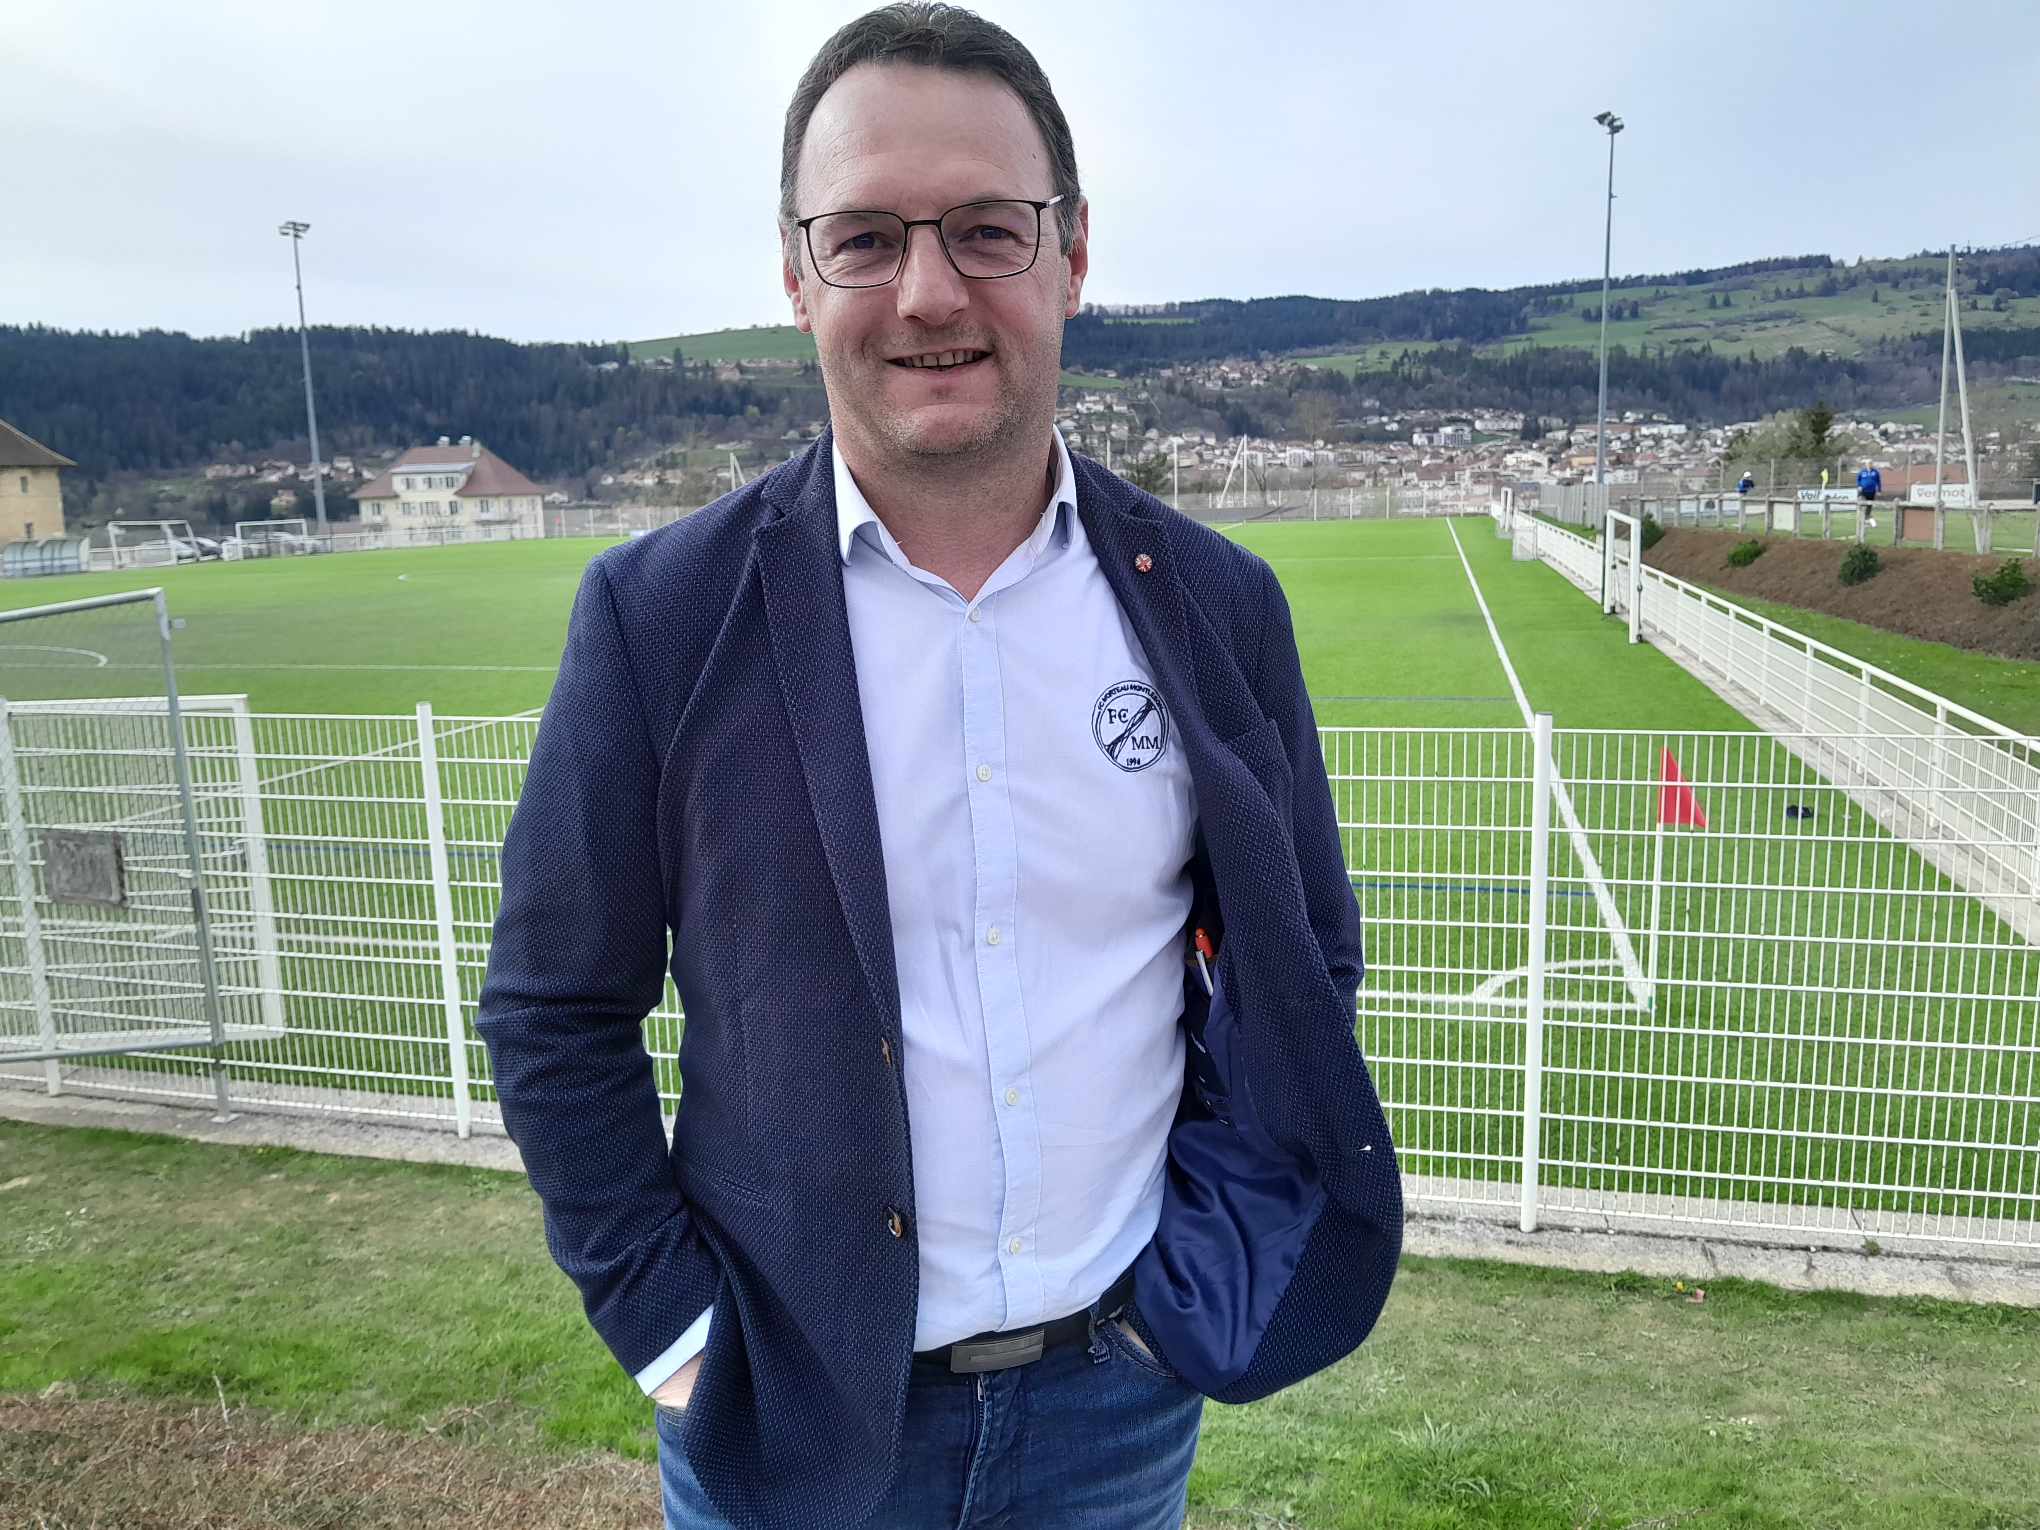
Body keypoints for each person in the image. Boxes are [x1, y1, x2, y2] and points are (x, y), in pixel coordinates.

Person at [476, 7, 1402, 1529]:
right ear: (796, 277)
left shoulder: (1219, 607)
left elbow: (1302, 962)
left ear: (1072, 255)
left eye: (986, 229)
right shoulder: (660, 620)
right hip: (787, 1416)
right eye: (865, 238)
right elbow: (552, 1011)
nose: (928, 292)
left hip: (1118, 1402)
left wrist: (1190, 1276)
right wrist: (676, 1335)